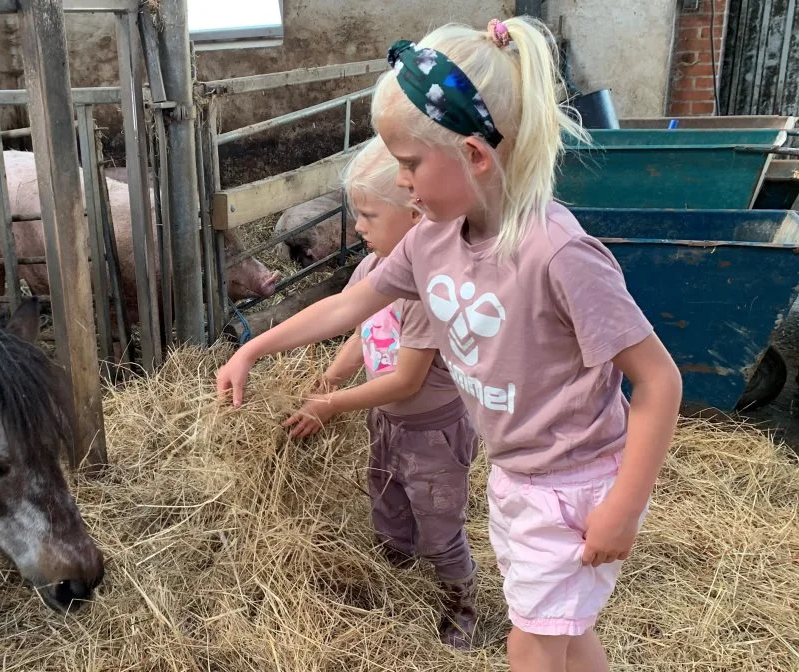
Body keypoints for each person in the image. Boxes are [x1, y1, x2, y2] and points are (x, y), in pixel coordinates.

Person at [216, 16, 682, 671]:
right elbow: (351, 304)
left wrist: (624, 508)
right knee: (564, 629)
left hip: (578, 485)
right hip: (518, 473)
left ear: (473, 156)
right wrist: (252, 349)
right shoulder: (432, 240)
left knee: (533, 639)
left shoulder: (558, 254)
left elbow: (659, 381)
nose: (402, 182)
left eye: (409, 164)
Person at [282, 135, 481, 649]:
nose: (357, 227)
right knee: (387, 501)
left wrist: (331, 405)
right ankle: (396, 569)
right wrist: (330, 378)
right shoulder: (372, 269)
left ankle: (461, 601)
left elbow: (406, 379)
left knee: (438, 522)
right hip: (386, 421)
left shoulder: (429, 287)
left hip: (433, 432)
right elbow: (360, 332)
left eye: (368, 215)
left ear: (415, 215)